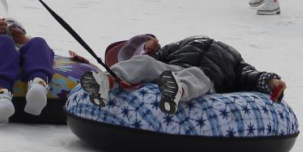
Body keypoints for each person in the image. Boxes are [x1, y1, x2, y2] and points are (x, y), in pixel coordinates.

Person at [80, 34, 286, 115]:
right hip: (173, 70)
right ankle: (107, 81)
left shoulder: (235, 60)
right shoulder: (186, 43)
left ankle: (176, 91)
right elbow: (157, 57)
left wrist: (271, 81)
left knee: (195, 73)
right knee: (145, 63)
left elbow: (252, 76)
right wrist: (150, 49)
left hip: (206, 79)